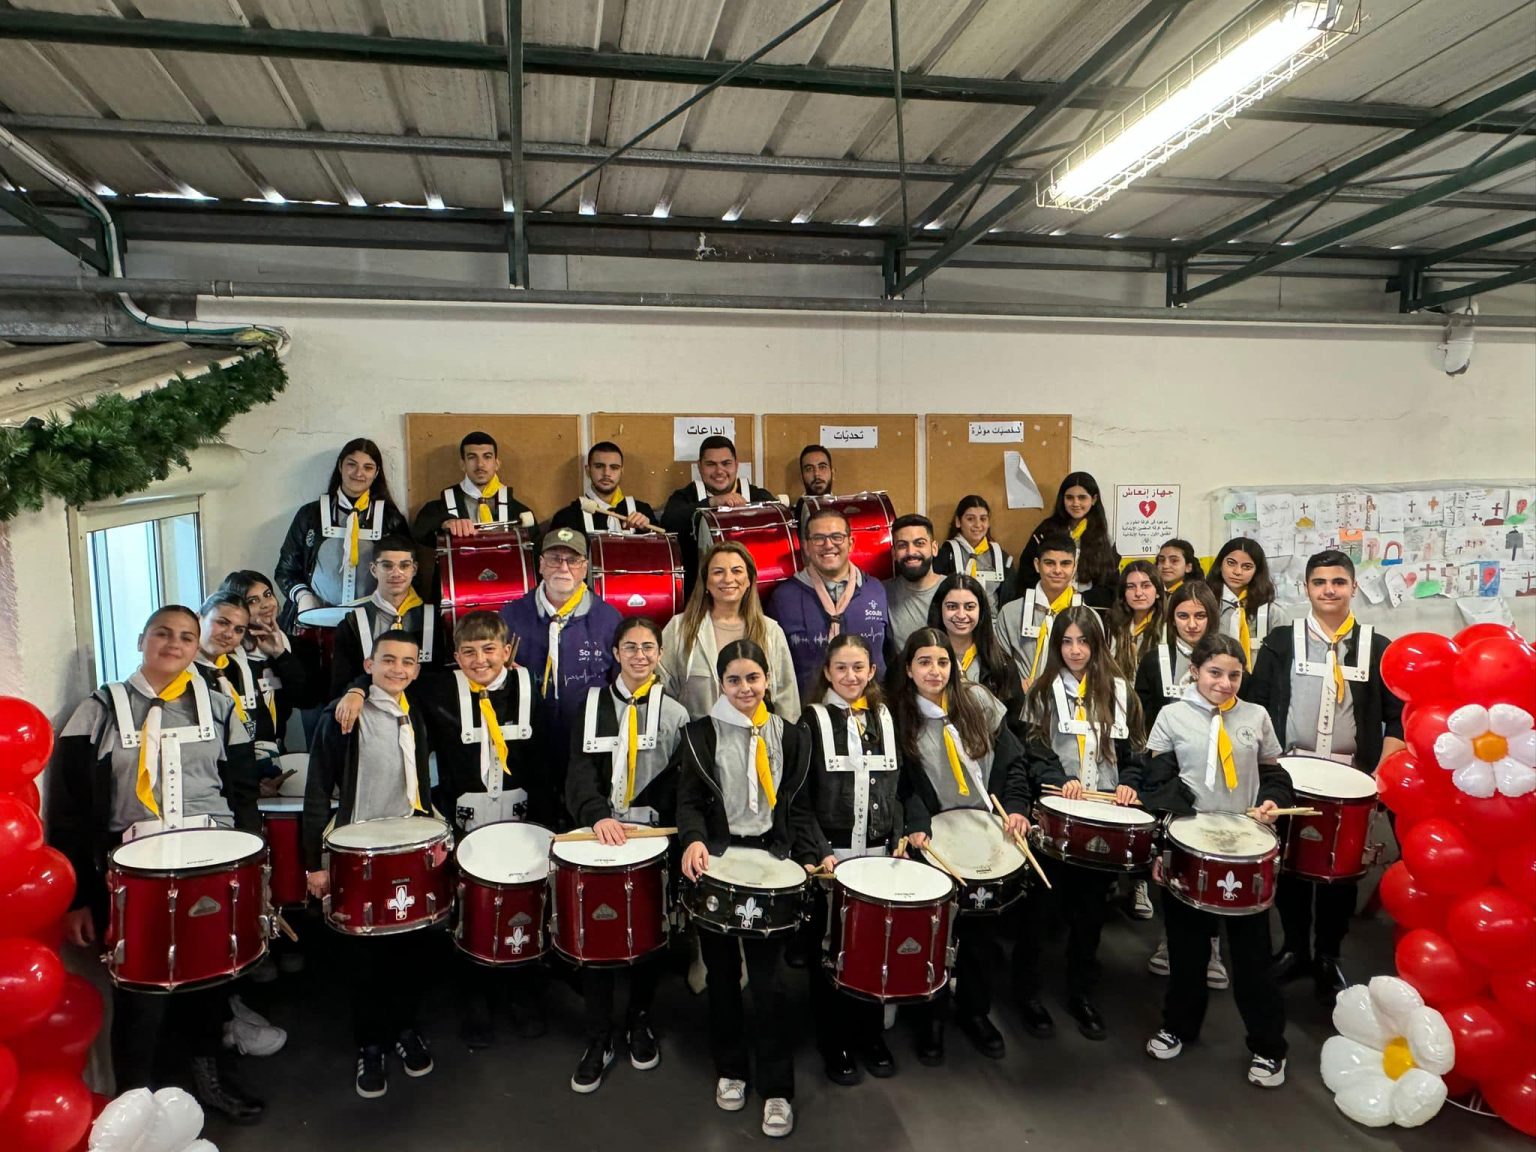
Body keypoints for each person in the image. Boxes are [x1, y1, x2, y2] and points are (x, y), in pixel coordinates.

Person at [47, 606, 264, 1122]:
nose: (174, 643)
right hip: (133, 878)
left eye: (187, 637)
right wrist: (78, 897)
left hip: (212, 865)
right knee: (139, 995)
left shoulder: (220, 707)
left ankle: (209, 1080)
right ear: (141, 639)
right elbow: (69, 810)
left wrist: (255, 870)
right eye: (163, 633)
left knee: (211, 983)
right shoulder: (99, 710)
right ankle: (134, 1104)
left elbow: (243, 793)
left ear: (195, 647)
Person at [1245, 550, 1405, 1000]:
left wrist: (1380, 774)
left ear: (1353, 587)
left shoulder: (1378, 647)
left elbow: (1398, 716)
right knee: (1292, 865)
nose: (1328, 590)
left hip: (1350, 776)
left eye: (1338, 582)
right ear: (1306, 588)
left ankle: (1328, 955)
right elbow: (1256, 705)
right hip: (1290, 772)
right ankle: (1295, 947)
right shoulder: (1281, 641)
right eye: (1319, 582)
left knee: (1342, 871)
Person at [677, 639, 815, 1139]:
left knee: (769, 983)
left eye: (753, 678)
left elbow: (798, 807)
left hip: (770, 864)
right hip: (719, 862)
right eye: (733, 680)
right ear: (721, 683)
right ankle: (731, 1069)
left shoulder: (791, 737)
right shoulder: (699, 734)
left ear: (767, 679)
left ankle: (777, 1089)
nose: (744, 688)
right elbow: (689, 802)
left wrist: (811, 852)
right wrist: (693, 840)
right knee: (721, 976)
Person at [1141, 633, 1293, 1089]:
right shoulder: (1171, 716)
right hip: (1190, 844)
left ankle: (1268, 1045)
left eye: (1234, 675)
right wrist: (1164, 846)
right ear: (1194, 671)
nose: (1224, 684)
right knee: (1186, 950)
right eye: (1214, 673)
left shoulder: (1256, 716)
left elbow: (1274, 774)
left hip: (1245, 848)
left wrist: (1272, 800)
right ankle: (1178, 1025)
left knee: (1252, 957)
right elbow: (1157, 784)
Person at [303, 631, 439, 1100]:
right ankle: (371, 1043)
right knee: (365, 957)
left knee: (410, 950)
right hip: (357, 852)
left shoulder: (413, 712)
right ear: (369, 664)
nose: (398, 669)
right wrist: (314, 864)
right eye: (388, 660)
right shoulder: (344, 715)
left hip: (407, 848)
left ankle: (405, 1029)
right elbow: (317, 789)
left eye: (407, 662)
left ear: (416, 670)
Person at [891, 628, 1031, 1065]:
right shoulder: (897, 716)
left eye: (942, 662)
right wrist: (916, 824)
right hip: (934, 838)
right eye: (924, 662)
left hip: (983, 829)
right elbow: (902, 785)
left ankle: (975, 1011)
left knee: (980, 933)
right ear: (909, 669)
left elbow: (1012, 762)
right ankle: (929, 1017)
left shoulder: (978, 702)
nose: (935, 671)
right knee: (935, 932)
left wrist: (1016, 807)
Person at [565, 617, 689, 1092]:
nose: (640, 656)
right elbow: (579, 771)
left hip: (650, 840)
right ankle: (597, 1036)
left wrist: (656, 824)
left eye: (649, 648)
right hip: (599, 836)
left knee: (647, 936)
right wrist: (597, 815)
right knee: (599, 936)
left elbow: (680, 783)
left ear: (659, 654)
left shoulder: (675, 713)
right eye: (631, 647)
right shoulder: (591, 704)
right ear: (615, 653)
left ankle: (639, 1019)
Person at [1013, 608, 1143, 1042]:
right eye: (1067, 642)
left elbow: (1134, 753)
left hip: (1102, 821)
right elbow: (1032, 748)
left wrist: (1128, 783)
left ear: (1097, 645)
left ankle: (1081, 992)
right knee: (1040, 912)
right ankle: (1027, 993)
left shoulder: (1121, 692)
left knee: (1090, 916)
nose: (1075, 650)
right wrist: (1056, 776)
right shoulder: (1043, 691)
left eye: (1084, 641)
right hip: (1056, 816)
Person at [800, 635, 901, 1085]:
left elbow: (901, 787)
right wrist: (820, 850)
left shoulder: (885, 718)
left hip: (878, 854)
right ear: (827, 672)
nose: (850, 676)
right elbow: (799, 800)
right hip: (834, 857)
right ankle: (833, 1038)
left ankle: (870, 1034)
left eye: (859, 667)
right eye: (841, 667)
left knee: (874, 946)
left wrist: (899, 835)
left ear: (872, 670)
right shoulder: (811, 720)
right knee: (831, 950)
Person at [1138, 580, 1229, 969]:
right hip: (1170, 775)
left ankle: (1212, 946)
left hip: (1217, 773)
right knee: (1171, 861)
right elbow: (1143, 719)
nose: (1192, 624)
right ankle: (1169, 940)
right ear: (1171, 617)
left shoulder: (1227, 658)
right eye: (1183, 615)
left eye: (1200, 615)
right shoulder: (1153, 659)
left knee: (1216, 860)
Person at [500, 526, 622, 809]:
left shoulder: (608, 619)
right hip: (527, 739)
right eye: (555, 559)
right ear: (541, 564)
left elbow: (617, 683)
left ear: (585, 568)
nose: (563, 568)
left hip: (585, 741)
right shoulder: (511, 616)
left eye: (573, 560)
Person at [274, 438, 410, 633]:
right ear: (340, 466)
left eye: (368, 467)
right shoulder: (310, 515)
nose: (358, 473)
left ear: (376, 473)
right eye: (351, 465)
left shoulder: (391, 520)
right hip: (315, 622)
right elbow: (286, 569)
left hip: (373, 624)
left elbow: (408, 574)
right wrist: (303, 596)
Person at [660, 541, 799, 721]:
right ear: (706, 582)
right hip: (698, 737)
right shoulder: (679, 628)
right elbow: (660, 694)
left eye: (736, 571)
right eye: (718, 572)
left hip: (759, 737)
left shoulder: (771, 631)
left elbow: (787, 702)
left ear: (749, 580)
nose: (728, 579)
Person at [768, 506, 889, 698]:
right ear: (806, 546)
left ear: (851, 543)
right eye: (818, 538)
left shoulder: (875, 590)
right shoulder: (784, 598)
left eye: (837, 537)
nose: (828, 545)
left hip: (870, 707)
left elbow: (888, 653)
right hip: (809, 708)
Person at [218, 570, 321, 762]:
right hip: (235, 758)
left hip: (277, 754)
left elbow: (306, 699)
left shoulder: (294, 645)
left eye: (268, 595)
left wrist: (280, 654)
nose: (266, 604)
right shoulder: (224, 657)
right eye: (252, 601)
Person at [659, 435, 777, 593]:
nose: (719, 471)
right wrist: (711, 502)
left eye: (726, 463)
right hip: (698, 592)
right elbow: (668, 524)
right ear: (700, 467)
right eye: (711, 464)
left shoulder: (758, 496)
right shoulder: (685, 497)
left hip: (754, 590)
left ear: (736, 465)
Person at [330, 535, 439, 697]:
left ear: (414, 569)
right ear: (374, 569)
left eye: (404, 565)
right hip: (368, 705)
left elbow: (439, 678)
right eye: (387, 565)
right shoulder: (352, 623)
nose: (396, 573)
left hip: (421, 708)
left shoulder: (434, 620)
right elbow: (340, 686)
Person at [412, 431, 537, 545]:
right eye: (472, 457)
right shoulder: (440, 507)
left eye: (487, 456)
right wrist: (444, 523)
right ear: (463, 464)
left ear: (497, 464)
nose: (480, 464)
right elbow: (420, 531)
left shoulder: (519, 512)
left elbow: (534, 550)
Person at [1016, 472, 1121, 608]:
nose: (1075, 503)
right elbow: (1026, 573)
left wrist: (1076, 599)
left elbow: (1110, 589)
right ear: (1062, 499)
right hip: (1046, 606)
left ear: (1094, 499)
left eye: (1082, 497)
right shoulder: (1046, 531)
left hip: (1086, 609)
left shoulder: (1104, 539)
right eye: (1069, 498)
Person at [995, 531, 1082, 693]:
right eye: (1049, 563)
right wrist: (1015, 684)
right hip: (1023, 701)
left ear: (1075, 567)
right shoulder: (1010, 613)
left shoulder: (1087, 617)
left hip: (1073, 700)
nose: (1057, 570)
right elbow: (999, 663)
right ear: (1037, 564)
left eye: (1065, 564)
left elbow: (1097, 667)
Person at [925, 573, 1015, 707]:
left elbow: (1014, 717)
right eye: (952, 607)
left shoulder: (1002, 664)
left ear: (981, 611)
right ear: (939, 609)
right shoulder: (919, 659)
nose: (961, 615)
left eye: (969, 607)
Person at [1207, 538, 1287, 671]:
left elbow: (1284, 659)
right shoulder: (1205, 605)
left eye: (1247, 567)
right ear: (1220, 564)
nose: (1237, 571)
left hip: (1260, 680)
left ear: (1257, 571)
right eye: (1231, 563)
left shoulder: (1272, 613)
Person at [549, 441, 657, 536]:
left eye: (614, 467)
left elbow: (662, 547)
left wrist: (648, 531)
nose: (606, 473)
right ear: (588, 470)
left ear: (621, 472)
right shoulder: (567, 517)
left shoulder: (643, 511)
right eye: (599, 466)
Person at [193, 592, 257, 745]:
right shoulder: (179, 672)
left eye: (239, 630)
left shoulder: (240, 669)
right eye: (222, 623)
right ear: (197, 618)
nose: (229, 634)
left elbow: (261, 721)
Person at [932, 495, 1013, 611]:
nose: (978, 525)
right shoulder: (945, 556)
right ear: (958, 522)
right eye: (970, 519)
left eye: (983, 519)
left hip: (993, 620)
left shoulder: (1002, 558)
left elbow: (1009, 598)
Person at [883, 514, 944, 656]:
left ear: (934, 548)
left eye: (919, 543)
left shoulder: (955, 590)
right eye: (902, 545)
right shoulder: (881, 593)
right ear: (894, 553)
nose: (911, 552)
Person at [1108, 560, 1166, 680]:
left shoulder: (1167, 627)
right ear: (1124, 593)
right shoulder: (1113, 626)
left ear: (1158, 592)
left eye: (1146, 586)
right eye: (1131, 587)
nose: (1138, 593)